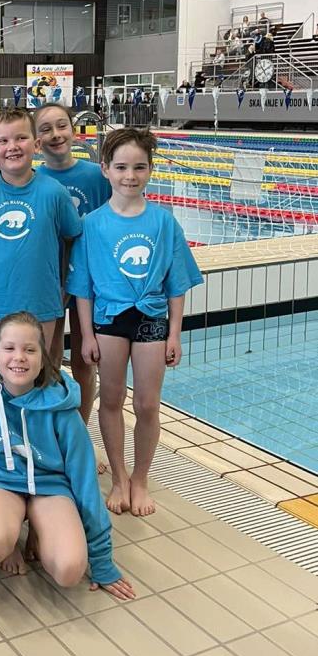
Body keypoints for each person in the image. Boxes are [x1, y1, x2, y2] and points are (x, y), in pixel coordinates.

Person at [0, 312, 134, 600]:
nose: (19, 357)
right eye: (9, 348)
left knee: (69, 571)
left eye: (29, 350)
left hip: (50, 486)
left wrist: (102, 560)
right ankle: (11, 538)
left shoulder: (61, 407)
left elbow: (85, 484)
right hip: (2, 482)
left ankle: (38, 528)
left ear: (43, 358)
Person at [66, 128, 203, 517]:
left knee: (146, 404)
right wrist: (86, 335)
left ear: (150, 170)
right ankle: (119, 478)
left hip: (151, 319)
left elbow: (177, 283)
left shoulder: (163, 222)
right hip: (109, 320)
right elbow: (82, 288)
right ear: (105, 169)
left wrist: (175, 333)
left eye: (139, 167)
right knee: (110, 400)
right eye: (122, 167)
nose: (130, 175)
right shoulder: (92, 224)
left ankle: (140, 479)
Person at [0, 107, 82, 356]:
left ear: (36, 145)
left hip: (42, 302)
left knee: (40, 372)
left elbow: (73, 240)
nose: (12, 146)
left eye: (21, 138)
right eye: (3, 140)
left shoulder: (55, 192)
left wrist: (67, 285)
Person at [34, 104, 111, 438]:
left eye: (61, 126)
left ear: (73, 131)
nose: (56, 135)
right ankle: (51, 432)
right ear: (36, 141)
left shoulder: (97, 177)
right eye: (46, 129)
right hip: (48, 282)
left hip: (90, 283)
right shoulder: (33, 180)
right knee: (48, 360)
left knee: (84, 360)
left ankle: (79, 434)